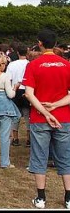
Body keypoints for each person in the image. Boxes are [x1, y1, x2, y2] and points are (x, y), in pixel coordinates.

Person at [23, 28, 70, 209]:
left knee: (39, 156)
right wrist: (56, 106)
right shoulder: (66, 65)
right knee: (65, 156)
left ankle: (41, 198)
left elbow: (29, 94)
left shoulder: (33, 65)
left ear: (40, 43)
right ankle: (68, 197)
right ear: (56, 44)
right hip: (63, 117)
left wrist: (45, 111)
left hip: (40, 118)